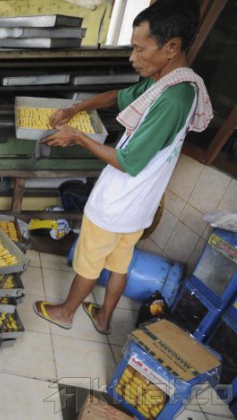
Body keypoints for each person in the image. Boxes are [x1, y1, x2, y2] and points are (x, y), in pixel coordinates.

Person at [33, 0, 213, 335]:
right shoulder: (171, 84)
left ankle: (65, 312)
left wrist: (78, 136)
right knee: (119, 263)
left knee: (89, 261)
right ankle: (103, 317)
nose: (132, 57)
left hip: (117, 204)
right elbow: (120, 96)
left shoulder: (173, 99)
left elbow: (128, 161)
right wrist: (76, 108)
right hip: (139, 207)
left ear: (171, 47)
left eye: (140, 49)